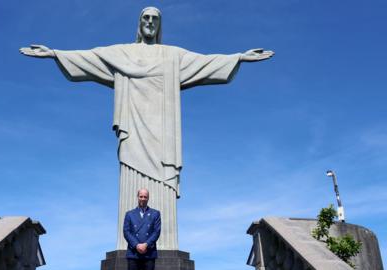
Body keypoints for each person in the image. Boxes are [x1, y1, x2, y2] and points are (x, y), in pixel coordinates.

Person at [20, 6, 274, 250]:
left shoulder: (173, 56)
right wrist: (55, 53)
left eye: (155, 19)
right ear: (139, 24)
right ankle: (130, 244)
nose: (150, 22)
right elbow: (90, 57)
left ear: (159, 25)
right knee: (130, 179)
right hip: (133, 129)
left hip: (163, 134)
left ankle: (163, 244)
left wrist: (239, 57)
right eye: (146, 19)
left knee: (163, 185)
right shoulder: (122, 53)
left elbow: (205, 63)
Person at [123, 188, 161, 270]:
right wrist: (137, 245)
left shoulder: (155, 214)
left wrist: (146, 244)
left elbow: (156, 232)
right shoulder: (129, 214)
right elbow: (126, 232)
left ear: (148, 198)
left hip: (149, 253)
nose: (143, 199)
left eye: (145, 197)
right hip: (133, 253)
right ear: (137, 197)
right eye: (141, 196)